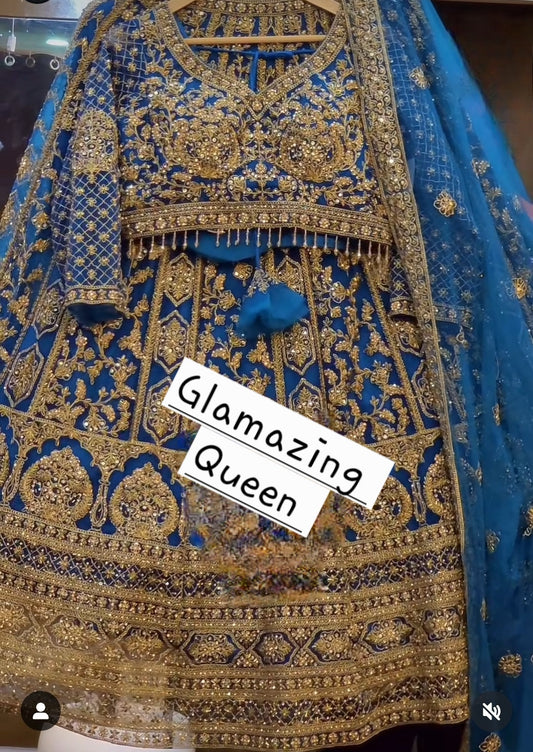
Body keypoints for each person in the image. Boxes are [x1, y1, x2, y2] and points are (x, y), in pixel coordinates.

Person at [0, 0, 531, 750]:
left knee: (337, 560)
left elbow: (437, 189)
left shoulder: (379, 29)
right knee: (155, 603)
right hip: (155, 356)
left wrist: (438, 314)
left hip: (353, 367)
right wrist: (92, 285)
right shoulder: (129, 29)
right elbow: (80, 173)